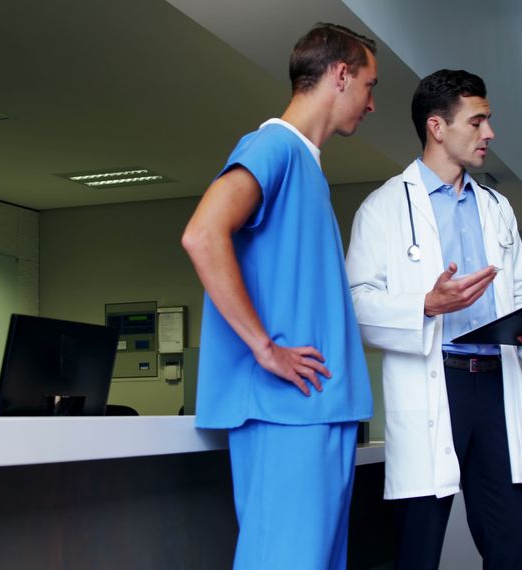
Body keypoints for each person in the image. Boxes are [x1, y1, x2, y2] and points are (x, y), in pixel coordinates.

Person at [346, 69, 522, 569]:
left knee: (510, 547)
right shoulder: (382, 208)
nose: (489, 133)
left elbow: (521, 293)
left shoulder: (497, 208)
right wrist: (425, 305)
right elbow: (355, 308)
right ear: (437, 127)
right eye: (478, 121)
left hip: (497, 386)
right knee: (417, 549)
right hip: (433, 383)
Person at [180, 23, 377, 570]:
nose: (372, 103)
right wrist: (265, 348)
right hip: (284, 410)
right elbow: (202, 234)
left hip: (316, 408)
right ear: (340, 75)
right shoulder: (274, 147)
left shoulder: (307, 167)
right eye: (369, 84)